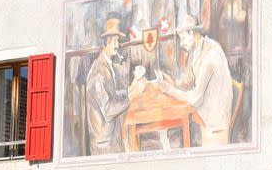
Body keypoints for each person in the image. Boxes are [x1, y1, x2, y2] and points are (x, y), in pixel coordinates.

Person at [160, 14, 233, 146]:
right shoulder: (201, 48)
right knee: (172, 131)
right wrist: (174, 83)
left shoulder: (211, 56)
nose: (181, 43)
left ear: (192, 33)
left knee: (172, 132)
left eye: (183, 38)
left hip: (214, 124)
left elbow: (195, 98)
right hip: (205, 114)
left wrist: (169, 90)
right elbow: (191, 79)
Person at [85, 15, 146, 155]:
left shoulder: (106, 64)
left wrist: (129, 89)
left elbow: (110, 95)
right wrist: (131, 96)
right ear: (107, 41)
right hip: (105, 145)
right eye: (115, 41)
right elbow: (108, 111)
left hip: (113, 137)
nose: (118, 45)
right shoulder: (98, 74)